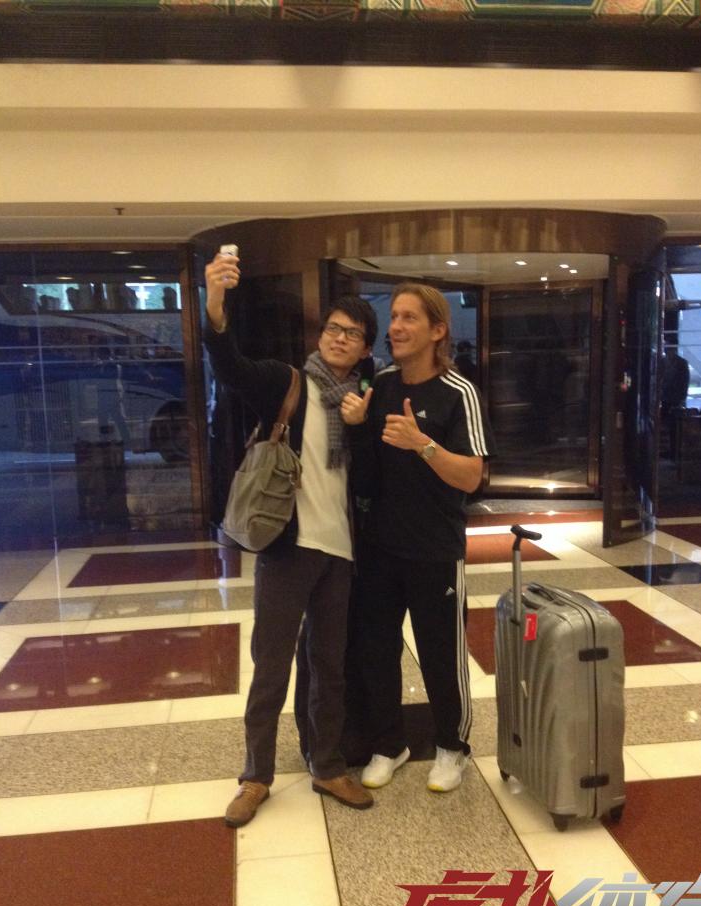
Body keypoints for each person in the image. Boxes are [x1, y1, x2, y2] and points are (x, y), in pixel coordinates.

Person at [204, 249, 378, 827]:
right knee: (271, 666)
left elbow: (370, 483)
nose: (339, 338)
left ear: (365, 349)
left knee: (330, 667)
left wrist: (362, 429)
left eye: (352, 334)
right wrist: (215, 301)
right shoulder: (289, 383)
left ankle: (326, 765)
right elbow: (230, 366)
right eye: (333, 329)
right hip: (288, 549)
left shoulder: (363, 403)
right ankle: (255, 776)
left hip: (340, 554)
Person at [342, 282, 497, 793]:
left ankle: (452, 747)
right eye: (394, 317)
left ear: (437, 330)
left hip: (435, 549)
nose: (396, 327)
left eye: (409, 318)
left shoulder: (458, 392)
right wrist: (359, 426)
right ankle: (389, 744)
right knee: (376, 650)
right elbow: (367, 471)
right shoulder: (383, 384)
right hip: (380, 547)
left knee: (440, 653)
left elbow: (471, 477)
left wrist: (422, 444)